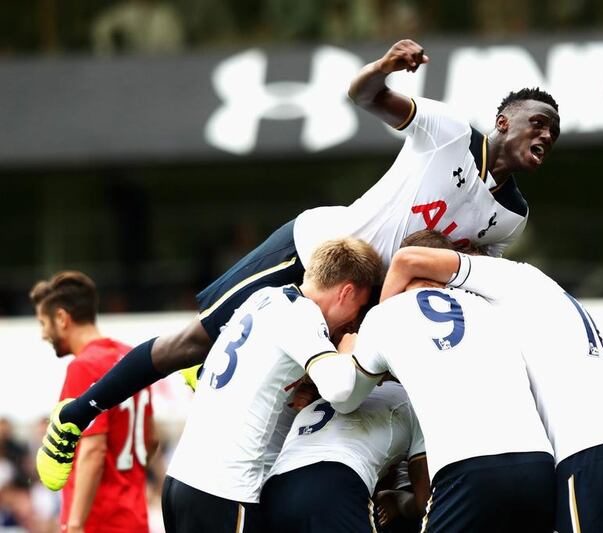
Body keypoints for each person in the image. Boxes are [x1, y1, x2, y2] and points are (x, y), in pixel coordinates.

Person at [37, 37, 561, 490]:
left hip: (363, 305)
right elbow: (363, 96)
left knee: (322, 405)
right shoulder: (449, 132)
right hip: (318, 251)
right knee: (191, 342)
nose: (544, 137)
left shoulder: (512, 216)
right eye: (537, 123)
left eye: (552, 135)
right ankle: (75, 415)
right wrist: (383, 68)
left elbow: (473, 280)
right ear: (501, 122)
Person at [378, 246, 603, 532]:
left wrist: (384, 327)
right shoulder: (543, 295)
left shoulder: (507, 278)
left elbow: (406, 260)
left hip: (587, 458)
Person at [161, 238, 383, 533]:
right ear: (347, 292)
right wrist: (349, 353)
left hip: (181, 480)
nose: (354, 319)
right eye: (360, 305)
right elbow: (340, 391)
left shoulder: (263, 298)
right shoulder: (302, 315)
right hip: (225, 491)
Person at [308, 273, 556, 530]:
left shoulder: (386, 314)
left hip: (467, 467)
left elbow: (344, 400)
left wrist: (346, 353)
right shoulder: (486, 307)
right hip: (537, 464)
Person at [30, 271, 157, 533]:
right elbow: (151, 441)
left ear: (62, 318)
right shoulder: (132, 357)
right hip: (135, 517)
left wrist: (75, 525)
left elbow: (93, 450)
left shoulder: (84, 366)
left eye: (43, 323)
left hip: (99, 521)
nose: (44, 333)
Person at [260, 380, 429, 532]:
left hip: (273, 491)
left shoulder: (325, 395)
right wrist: (396, 499)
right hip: (334, 484)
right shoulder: (413, 399)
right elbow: (425, 502)